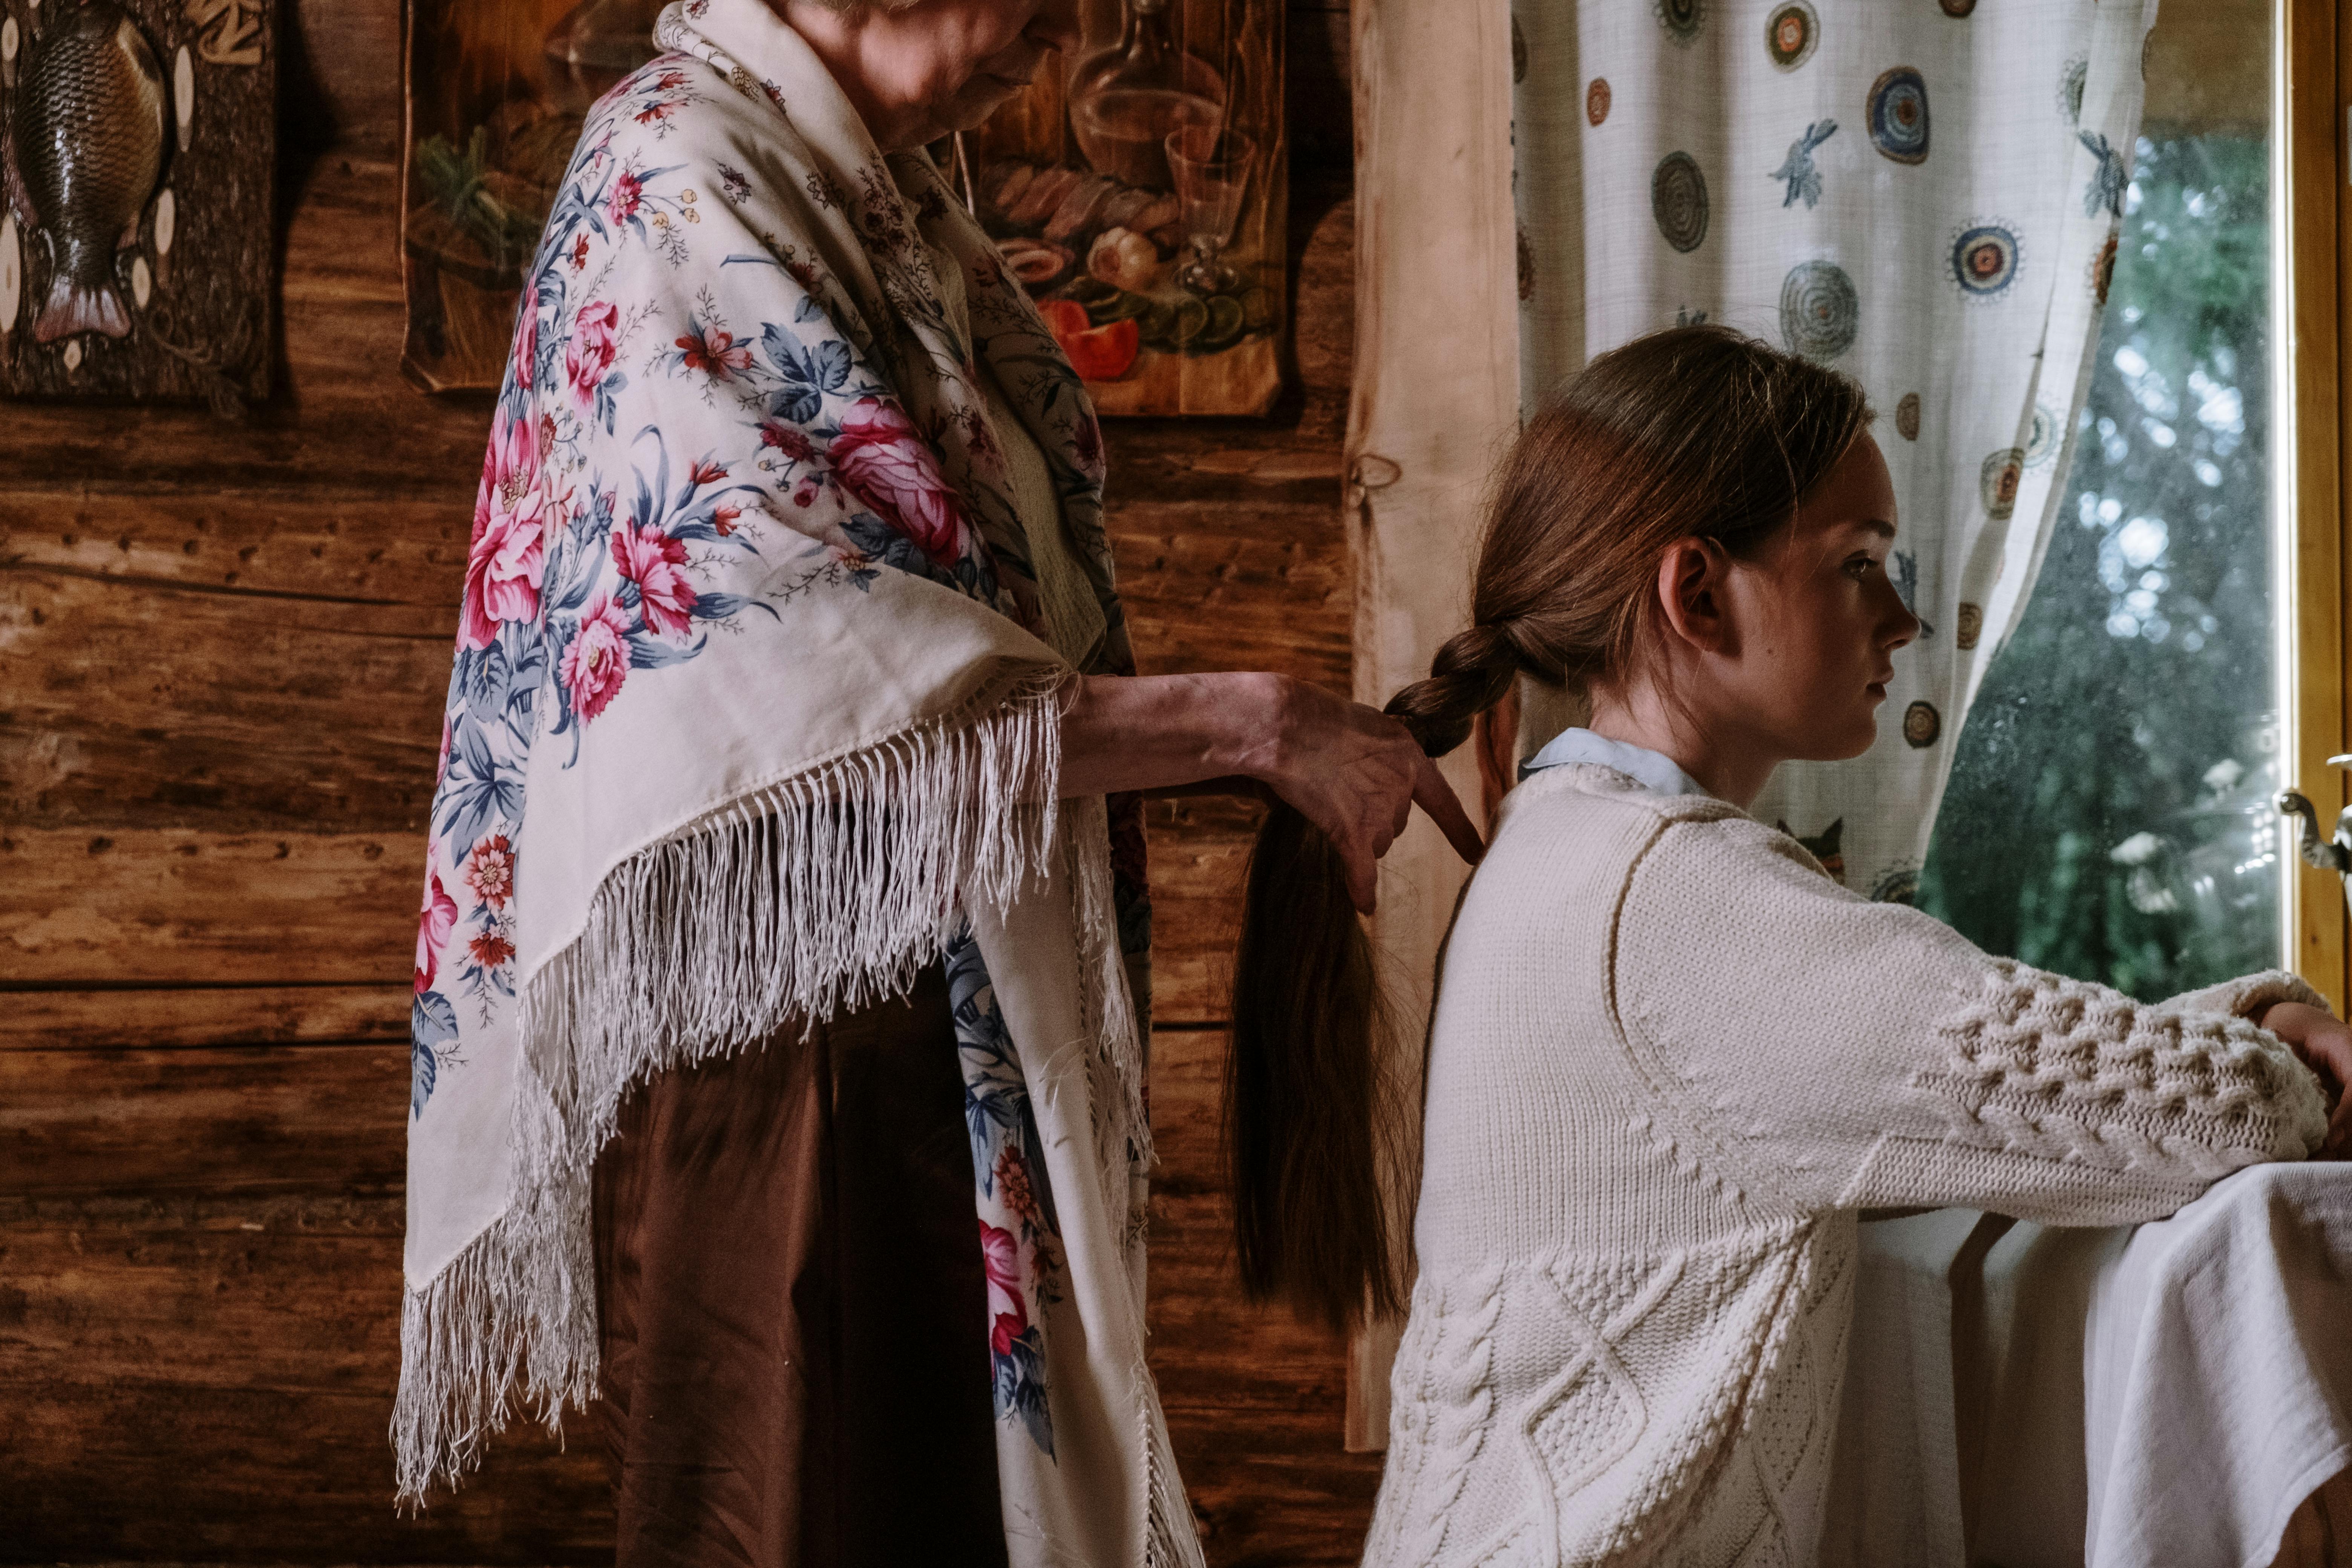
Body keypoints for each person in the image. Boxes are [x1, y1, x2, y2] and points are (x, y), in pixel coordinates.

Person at [392, 2, 1478, 1564]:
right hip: (795, 1067)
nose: (1042, 47)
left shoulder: (865, 200)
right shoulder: (678, 175)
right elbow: (797, 689)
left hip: (907, 1032)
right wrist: (1255, 722)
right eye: (1026, 9)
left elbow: (947, 654)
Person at [1222, 325, 2352, 1564]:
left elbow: (1997, 1096)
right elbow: (2203, 1116)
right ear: (1696, 593)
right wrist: (2277, 1050)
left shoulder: (1576, 855)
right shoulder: (1673, 903)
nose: (1905, 616)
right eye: (1859, 564)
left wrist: (2247, 1020)